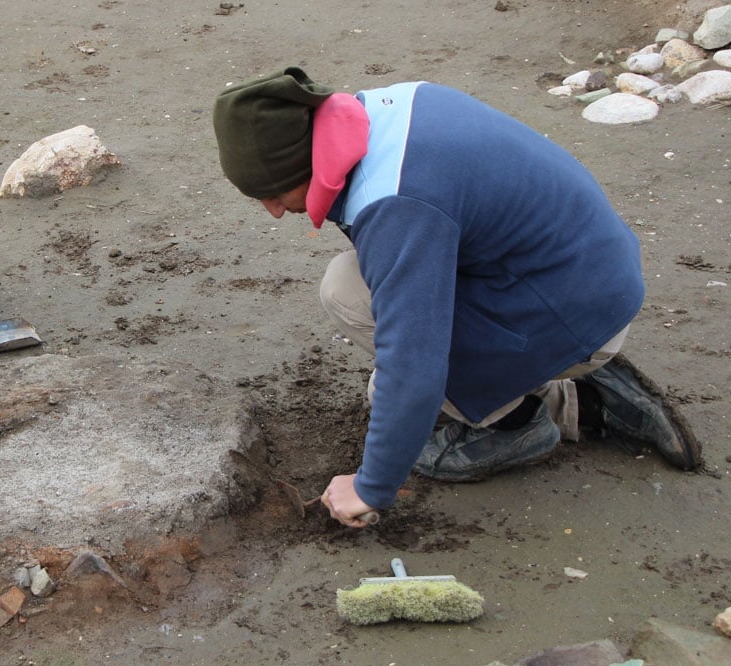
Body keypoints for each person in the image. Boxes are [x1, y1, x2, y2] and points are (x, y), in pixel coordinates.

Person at [211, 67, 702, 527]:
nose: (273, 212)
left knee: (354, 308)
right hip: (587, 278)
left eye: (273, 193)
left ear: (304, 161)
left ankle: (519, 425)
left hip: (576, 308)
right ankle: (587, 387)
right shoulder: (385, 111)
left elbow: (415, 364)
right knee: (375, 321)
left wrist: (371, 485)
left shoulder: (396, 202)